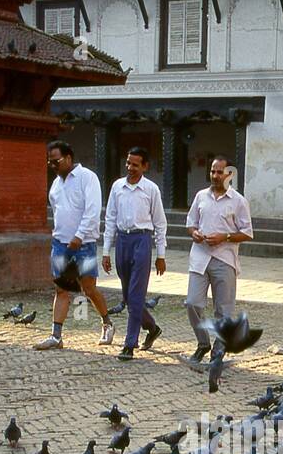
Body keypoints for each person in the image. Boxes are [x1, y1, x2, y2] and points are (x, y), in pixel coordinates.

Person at [35, 140, 115, 351]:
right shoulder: (56, 184)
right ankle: (56, 335)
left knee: (89, 288)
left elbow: (92, 210)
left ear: (69, 158)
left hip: (84, 245)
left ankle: (107, 323)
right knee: (61, 289)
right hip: (60, 244)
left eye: (56, 161)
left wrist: (79, 236)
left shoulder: (87, 178)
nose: (52, 165)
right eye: (49, 162)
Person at [184, 155, 253, 368]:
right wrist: (194, 233)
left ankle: (219, 348)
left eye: (219, 172)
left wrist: (225, 237)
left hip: (225, 259)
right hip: (200, 257)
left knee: (223, 310)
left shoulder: (239, 201)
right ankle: (203, 343)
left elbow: (247, 233)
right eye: (213, 171)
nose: (215, 175)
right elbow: (190, 223)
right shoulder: (200, 196)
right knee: (192, 303)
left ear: (229, 174)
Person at [102, 146, 167, 363]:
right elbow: (110, 218)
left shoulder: (151, 189)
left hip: (142, 240)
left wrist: (161, 254)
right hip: (122, 240)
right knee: (128, 297)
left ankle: (130, 343)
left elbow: (160, 223)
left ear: (145, 166)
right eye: (128, 163)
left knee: (137, 294)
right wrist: (106, 251)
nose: (130, 168)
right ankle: (152, 327)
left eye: (135, 164)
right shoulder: (117, 187)